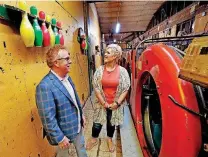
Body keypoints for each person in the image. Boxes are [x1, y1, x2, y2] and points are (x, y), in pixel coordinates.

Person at [35, 45, 88, 157]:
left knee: (81, 148)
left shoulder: (67, 77)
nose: (71, 61)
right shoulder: (44, 86)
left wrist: (81, 114)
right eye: (67, 59)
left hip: (77, 125)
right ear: (56, 63)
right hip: (63, 133)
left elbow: (75, 98)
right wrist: (59, 137)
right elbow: (47, 117)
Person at [86, 44, 130, 152]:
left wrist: (117, 103)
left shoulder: (122, 71)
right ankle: (93, 138)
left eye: (108, 53)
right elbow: (96, 87)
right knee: (97, 123)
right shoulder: (100, 70)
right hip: (101, 103)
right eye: (105, 52)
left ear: (115, 56)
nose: (105, 54)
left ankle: (109, 139)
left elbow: (125, 89)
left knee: (111, 123)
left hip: (115, 104)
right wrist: (103, 102)